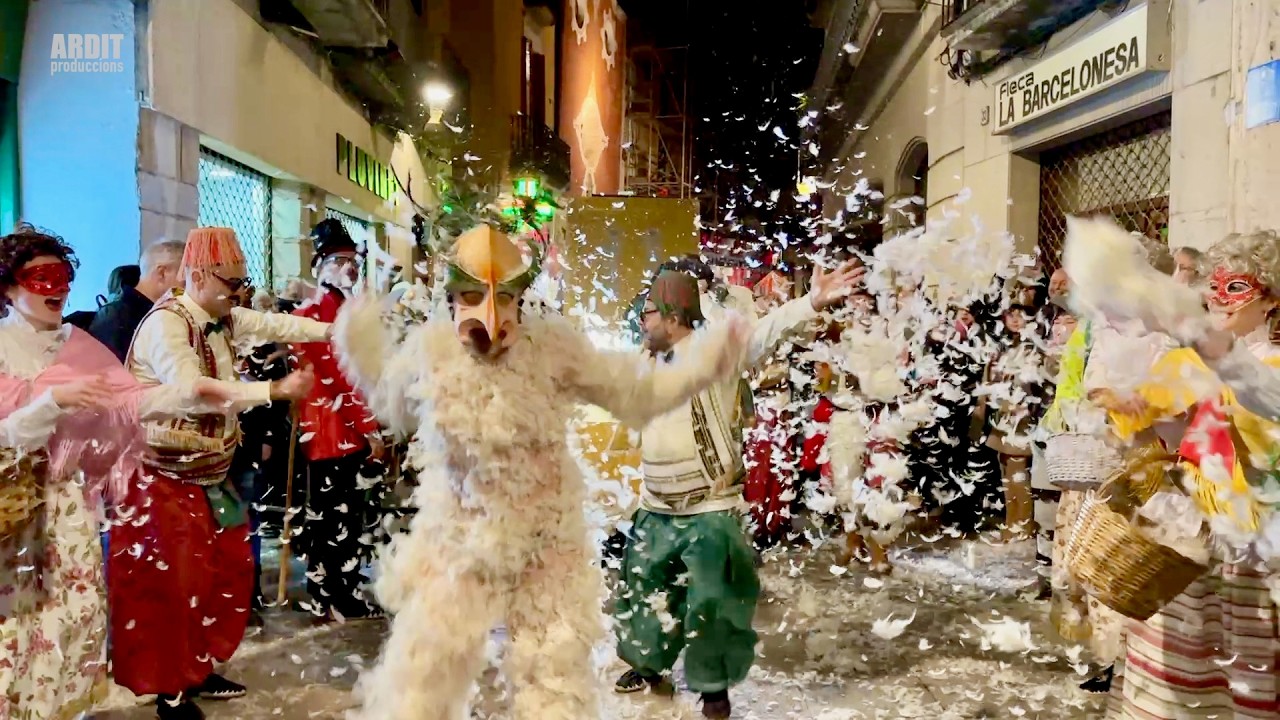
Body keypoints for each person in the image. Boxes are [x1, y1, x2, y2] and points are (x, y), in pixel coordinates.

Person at [332, 224, 751, 720]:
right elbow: (392, 405)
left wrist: (704, 363)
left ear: (522, 299)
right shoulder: (431, 352)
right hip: (460, 535)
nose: (488, 315)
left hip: (547, 542)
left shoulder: (553, 348)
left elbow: (635, 392)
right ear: (451, 298)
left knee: (553, 683)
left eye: (503, 297)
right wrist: (360, 345)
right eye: (470, 295)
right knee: (422, 677)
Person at [0, 224, 233, 720]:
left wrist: (203, 393)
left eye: (63, 276)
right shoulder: (2, 347)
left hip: (71, 511)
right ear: (9, 287)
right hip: (16, 514)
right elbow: (8, 435)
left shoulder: (77, 343)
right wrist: (53, 401)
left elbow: (130, 402)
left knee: (74, 619)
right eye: (40, 277)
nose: (57, 288)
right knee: (20, 633)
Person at [614, 260, 864, 718]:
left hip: (709, 509)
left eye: (649, 311)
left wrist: (810, 301)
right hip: (656, 507)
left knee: (713, 602)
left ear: (673, 316)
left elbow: (766, 332)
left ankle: (713, 689)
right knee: (646, 594)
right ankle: (649, 666)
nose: (641, 319)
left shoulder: (717, 354)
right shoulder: (642, 360)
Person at [107, 227, 329, 720]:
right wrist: (272, 392)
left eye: (242, 282)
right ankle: (170, 689)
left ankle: (197, 666)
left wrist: (339, 329)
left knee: (225, 575)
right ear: (201, 276)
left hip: (212, 476)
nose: (239, 291)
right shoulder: (168, 325)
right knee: (173, 587)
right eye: (232, 282)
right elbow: (191, 389)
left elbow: (280, 326)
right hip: (161, 480)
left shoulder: (221, 313)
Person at [291, 218, 387, 621]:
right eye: (338, 259)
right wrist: (369, 428)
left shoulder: (345, 310)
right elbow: (337, 379)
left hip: (342, 429)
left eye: (352, 260)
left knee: (341, 516)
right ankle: (332, 594)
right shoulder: (318, 315)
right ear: (321, 265)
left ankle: (334, 589)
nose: (349, 268)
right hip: (333, 432)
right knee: (334, 518)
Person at [90, 242, 185, 362]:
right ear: (162, 273)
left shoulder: (163, 313)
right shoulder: (117, 317)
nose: (191, 289)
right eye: (186, 280)